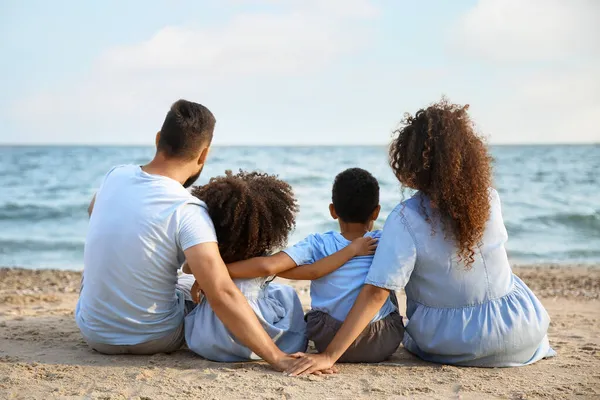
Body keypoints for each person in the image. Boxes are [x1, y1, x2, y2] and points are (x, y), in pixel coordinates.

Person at [286, 99, 556, 375]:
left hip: (453, 343)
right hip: (521, 334)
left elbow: (377, 291)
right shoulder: (489, 199)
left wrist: (329, 355)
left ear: (412, 161)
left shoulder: (405, 218)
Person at [76, 100, 299, 371]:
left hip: (94, 334)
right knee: (192, 283)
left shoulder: (115, 176)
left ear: (158, 139)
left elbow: (94, 210)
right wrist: (277, 357)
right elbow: (222, 292)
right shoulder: (187, 209)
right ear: (203, 155)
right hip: (156, 337)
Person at [181, 170, 377, 362]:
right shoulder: (379, 240)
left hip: (209, 343)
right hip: (259, 341)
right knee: (287, 295)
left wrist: (210, 273)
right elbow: (269, 268)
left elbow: (188, 268)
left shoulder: (211, 258)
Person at [222, 168, 403, 363]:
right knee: (385, 283)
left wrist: (216, 270)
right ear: (376, 212)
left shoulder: (318, 243)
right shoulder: (384, 240)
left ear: (332, 211)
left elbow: (268, 267)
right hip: (381, 342)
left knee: (315, 310)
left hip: (328, 338)